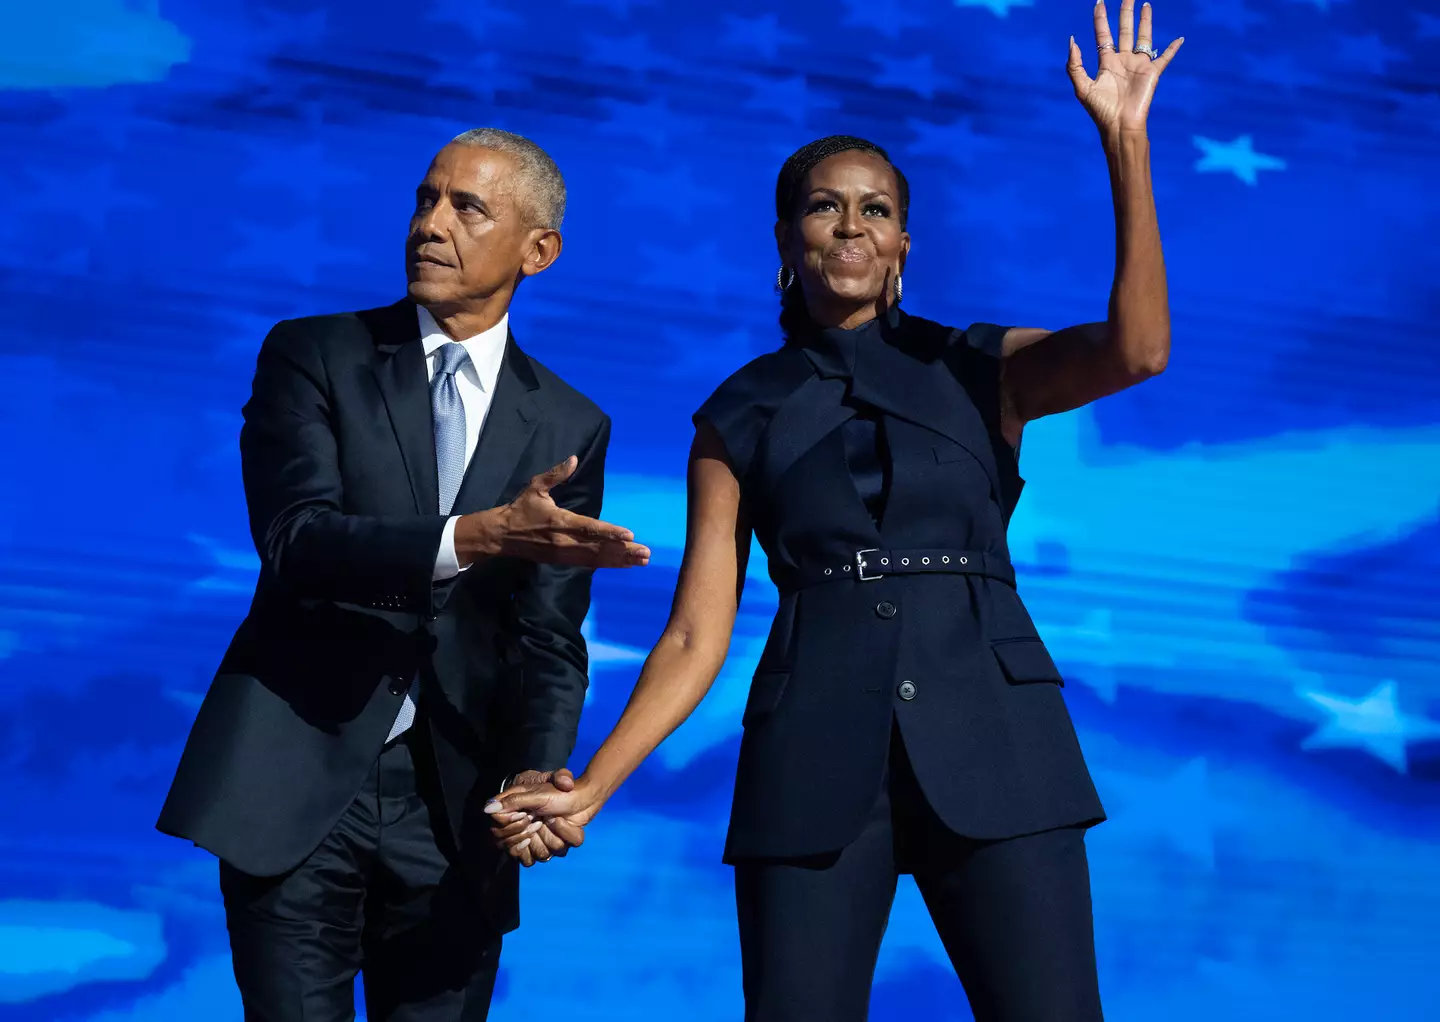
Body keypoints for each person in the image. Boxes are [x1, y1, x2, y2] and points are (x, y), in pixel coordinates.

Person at [487, 3, 1182, 1019]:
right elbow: (694, 629)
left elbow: (1140, 348)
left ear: (904, 239)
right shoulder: (738, 412)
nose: (851, 225)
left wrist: (1126, 140)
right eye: (824, 206)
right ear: (787, 236)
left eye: (875, 209)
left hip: (1000, 738)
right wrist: (593, 783)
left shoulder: (978, 365)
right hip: (811, 758)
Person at [157, 128, 649, 1022]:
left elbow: (547, 633)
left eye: (468, 207)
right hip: (297, 785)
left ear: (539, 251)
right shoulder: (315, 355)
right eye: (426, 198)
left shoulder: (572, 422)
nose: (432, 223)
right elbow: (298, 539)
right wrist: (476, 536)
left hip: (459, 814)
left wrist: (537, 775)